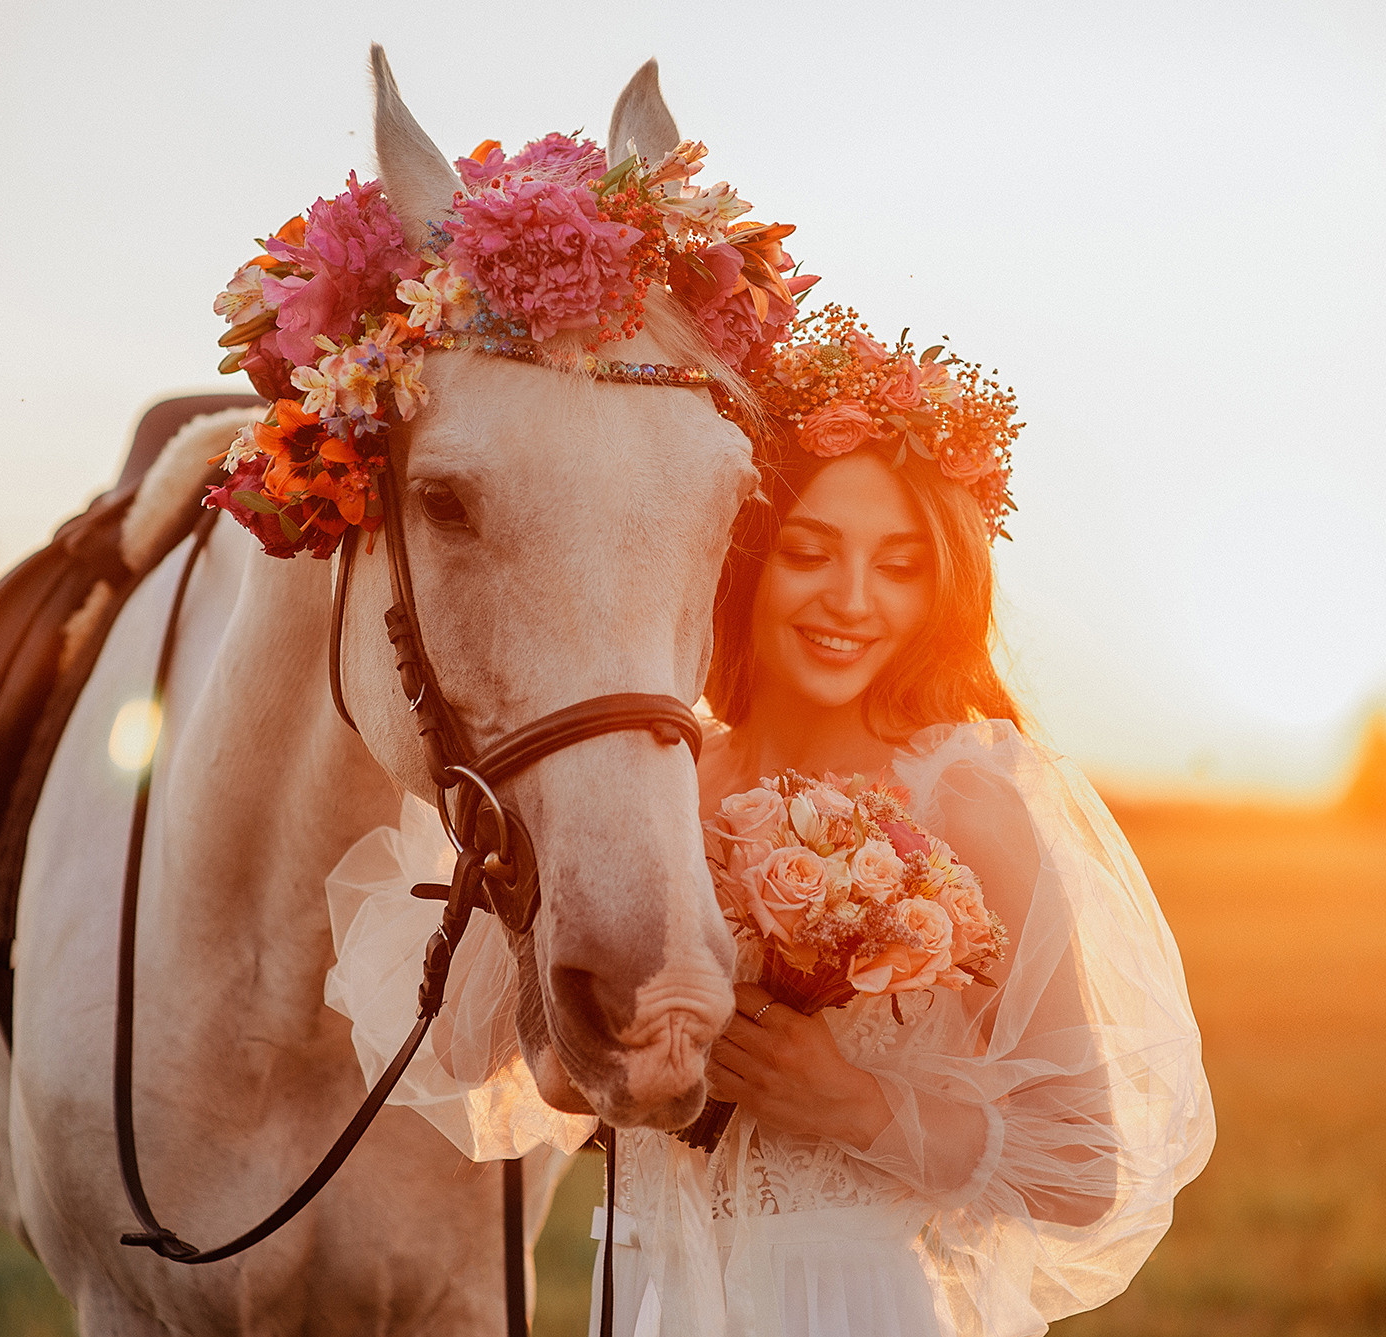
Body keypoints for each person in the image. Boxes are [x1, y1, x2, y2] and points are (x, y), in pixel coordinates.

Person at [324, 314, 1214, 1336]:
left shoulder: (966, 800)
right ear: (741, 554)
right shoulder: (657, 781)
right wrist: (606, 1059)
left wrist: (847, 1101)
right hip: (647, 1294)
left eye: (898, 564)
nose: (850, 598)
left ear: (941, 588)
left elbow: (1081, 1163)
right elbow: (527, 1067)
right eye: (809, 550)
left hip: (844, 1304)